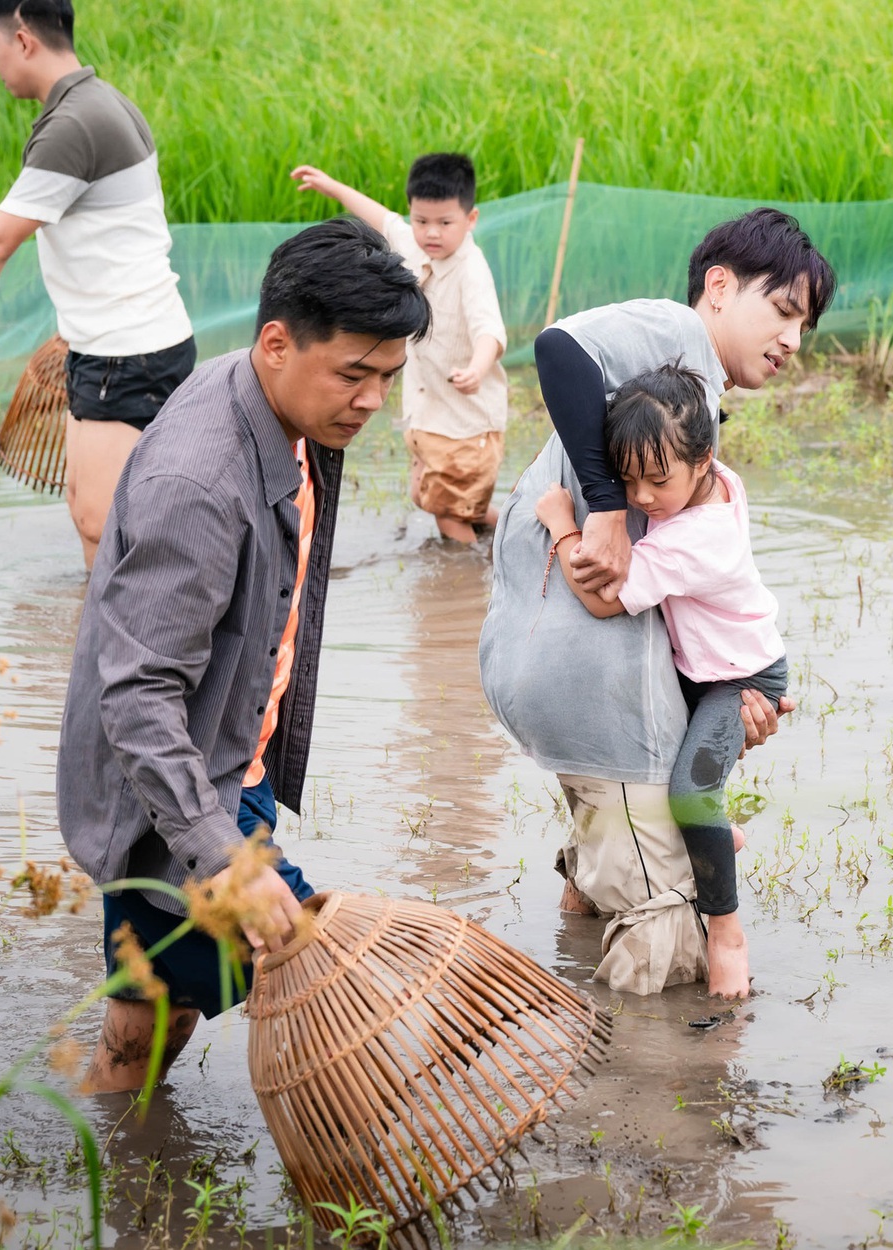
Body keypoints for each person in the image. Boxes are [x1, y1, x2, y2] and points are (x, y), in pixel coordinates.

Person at [54, 217, 429, 1093]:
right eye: (354, 374)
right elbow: (139, 699)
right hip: (177, 801)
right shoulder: (198, 482)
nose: (373, 400)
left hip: (229, 752)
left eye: (388, 377)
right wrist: (224, 855)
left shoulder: (289, 411)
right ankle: (130, 1163)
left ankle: (120, 1146)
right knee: (305, 963)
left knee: (156, 1008)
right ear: (275, 344)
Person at [478, 208, 835, 999]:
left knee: (615, 854)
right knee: (668, 948)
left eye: (804, 327)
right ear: (719, 287)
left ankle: (581, 930)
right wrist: (604, 506)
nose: (792, 341)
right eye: (782, 311)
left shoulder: (689, 403)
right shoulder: (676, 336)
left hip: (540, 662)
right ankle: (642, 1103)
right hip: (588, 675)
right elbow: (559, 348)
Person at [0, 0, 196, 570]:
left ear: (24, 40)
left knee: (107, 527)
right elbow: (112, 241)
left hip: (130, 350)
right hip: (110, 344)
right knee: (88, 515)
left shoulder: (75, 123)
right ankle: (91, 649)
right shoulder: (100, 102)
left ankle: (142, 650)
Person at [532, 364, 787, 994]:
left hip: (739, 679)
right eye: (628, 481)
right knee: (677, 788)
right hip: (703, 668)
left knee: (690, 795)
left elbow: (602, 599)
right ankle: (714, 837)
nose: (641, 498)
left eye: (657, 480)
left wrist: (565, 524)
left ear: (705, 460)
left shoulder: (696, 538)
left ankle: (726, 932)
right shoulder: (715, 484)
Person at [290, 154, 508, 544]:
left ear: (470, 219)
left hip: (465, 423)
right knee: (438, 499)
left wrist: (478, 367)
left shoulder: (471, 269)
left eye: (445, 223)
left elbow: (488, 329)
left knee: (449, 516)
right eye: (421, 221)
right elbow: (381, 218)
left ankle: (463, 584)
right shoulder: (412, 241)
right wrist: (330, 185)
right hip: (429, 414)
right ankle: (514, 524)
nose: (431, 233)